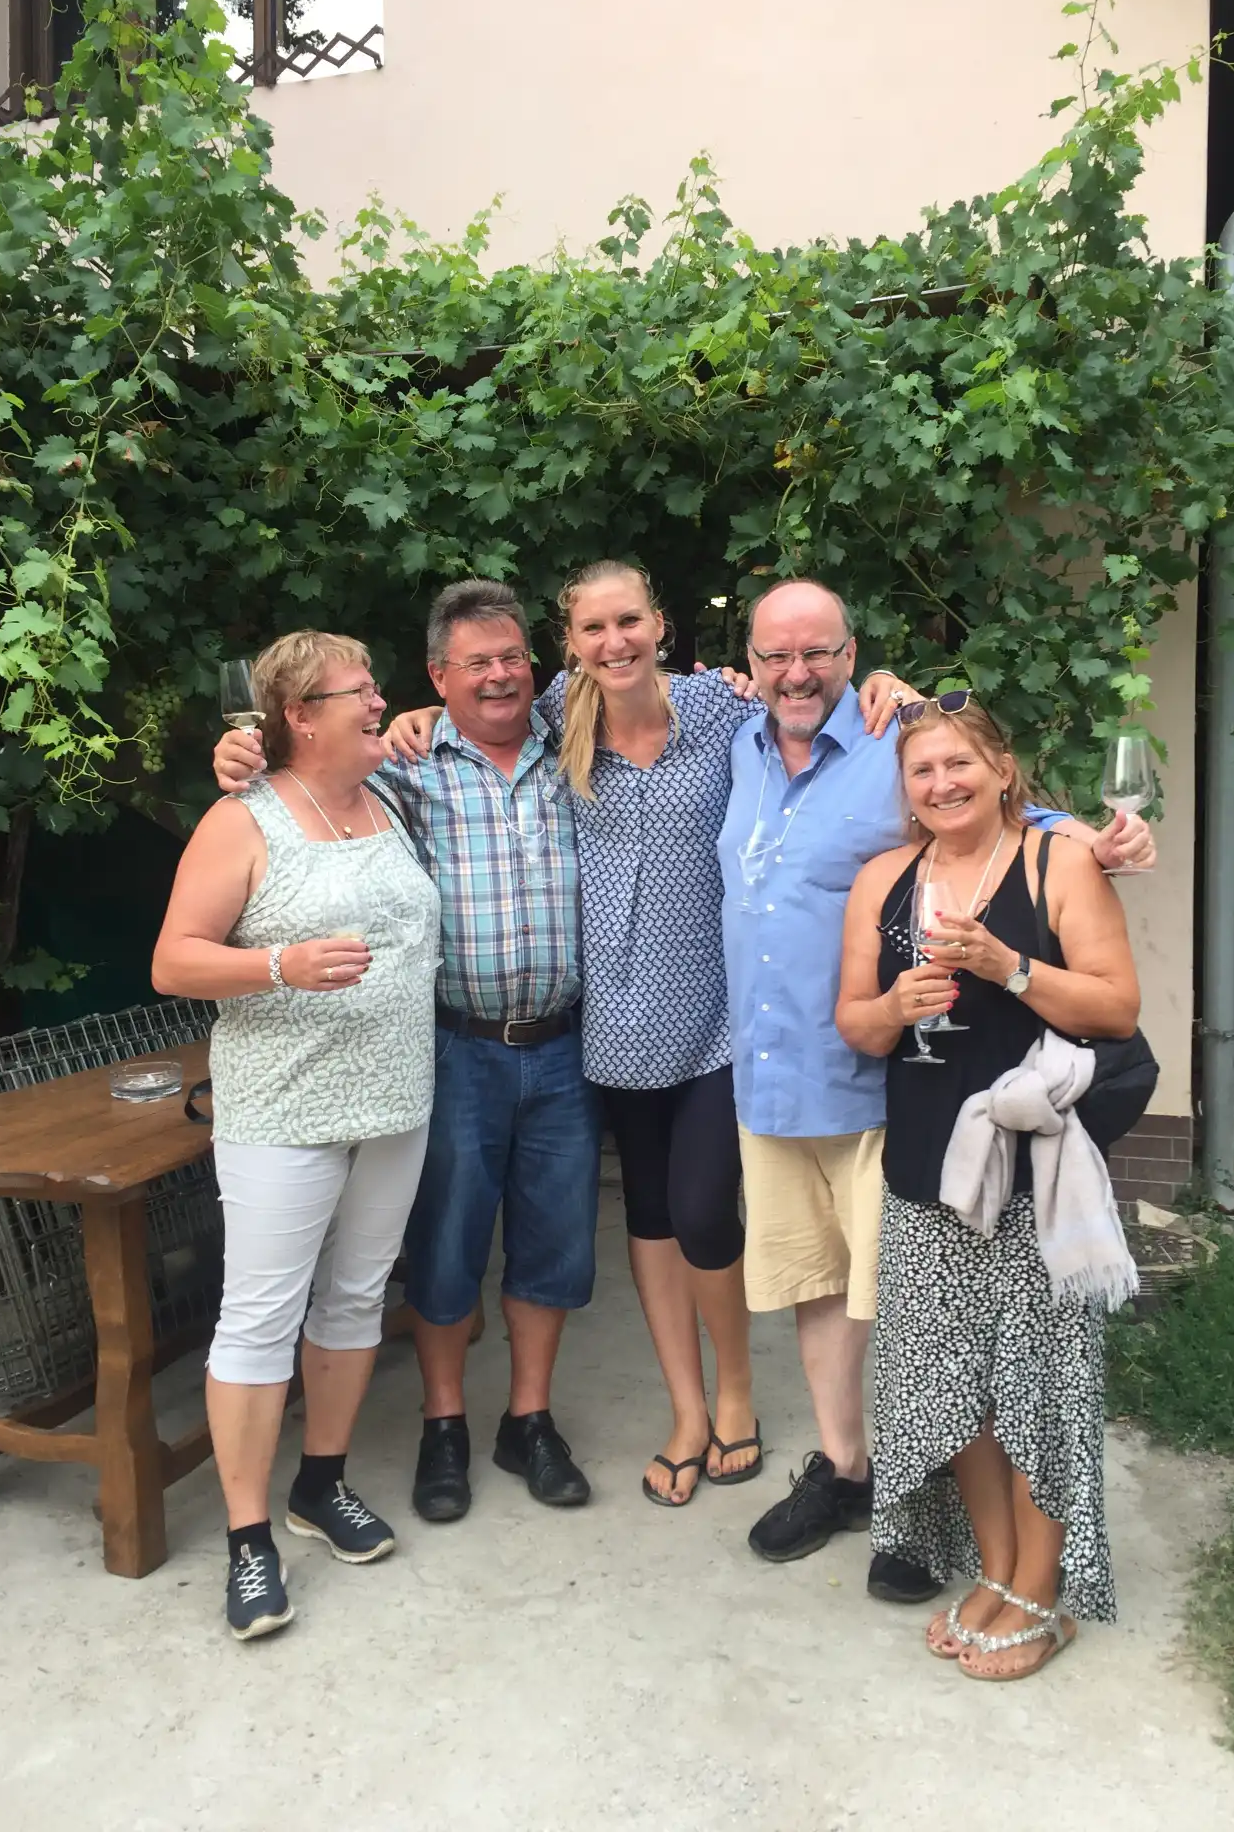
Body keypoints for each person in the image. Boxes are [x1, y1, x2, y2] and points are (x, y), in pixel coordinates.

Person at [388, 561, 901, 1506]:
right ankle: (687, 1411)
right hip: (613, 1026)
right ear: (570, 644)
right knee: (653, 1218)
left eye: (629, 621)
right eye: (593, 629)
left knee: (704, 1212)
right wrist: (413, 718)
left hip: (715, 1015)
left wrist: (890, 689)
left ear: (660, 625)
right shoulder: (553, 716)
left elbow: (815, 710)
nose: (614, 642)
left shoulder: (722, 708)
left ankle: (736, 1393)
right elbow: (468, 708)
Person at [716, 579, 1155, 1600]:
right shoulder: (736, 742)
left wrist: (1086, 856)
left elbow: (1008, 824)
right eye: (774, 654)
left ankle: (989, 1564)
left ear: (851, 652)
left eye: (817, 651)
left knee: (991, 1361)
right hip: (802, 1093)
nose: (795, 671)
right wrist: (893, 1005)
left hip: (943, 1128)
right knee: (861, 1316)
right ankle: (871, 1488)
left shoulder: (898, 744)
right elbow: (860, 1011)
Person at [213, 582, 599, 1524]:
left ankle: (530, 1419)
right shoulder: (399, 764)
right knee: (445, 1248)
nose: (500, 675)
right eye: (476, 663)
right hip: (456, 1046)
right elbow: (299, 788)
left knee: (553, 1246)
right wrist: (235, 753)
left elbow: (658, 694)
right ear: (438, 675)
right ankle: (444, 1425)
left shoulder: (580, 748)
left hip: (563, 1047)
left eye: (512, 657)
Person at [836, 695, 1141, 1680]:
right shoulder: (886, 879)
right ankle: (998, 1567)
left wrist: (1009, 968)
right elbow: (855, 1024)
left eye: (959, 764)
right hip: (926, 1171)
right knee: (951, 1385)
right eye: (923, 771)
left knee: (1037, 1388)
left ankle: (1043, 1594)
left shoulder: (1059, 864)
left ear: (1003, 769)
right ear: (906, 790)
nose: (943, 784)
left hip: (1031, 1176)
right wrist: (894, 1005)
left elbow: (1116, 1005)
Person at [153, 630, 440, 1641]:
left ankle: (321, 1484)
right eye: (358, 690)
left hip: (396, 1100)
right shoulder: (242, 819)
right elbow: (174, 962)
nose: (378, 702)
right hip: (284, 1111)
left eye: (377, 686)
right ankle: (247, 1539)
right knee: (259, 1319)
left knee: (357, 1296)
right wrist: (281, 965)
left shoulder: (389, 796)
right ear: (299, 717)